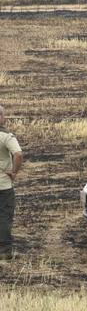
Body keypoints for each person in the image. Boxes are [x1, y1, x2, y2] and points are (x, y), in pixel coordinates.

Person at [0, 105, 23, 259]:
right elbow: (18, 154)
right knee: (4, 216)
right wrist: (14, 172)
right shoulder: (6, 136)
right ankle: (4, 251)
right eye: (3, 114)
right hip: (3, 185)